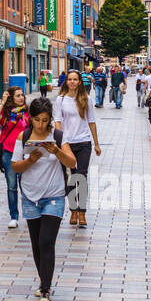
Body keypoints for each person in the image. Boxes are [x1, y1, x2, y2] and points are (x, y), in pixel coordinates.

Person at [12, 97, 77, 301]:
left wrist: (56, 151)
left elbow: (72, 162)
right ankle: (44, 281)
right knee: (36, 244)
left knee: (46, 241)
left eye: (45, 120)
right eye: (37, 119)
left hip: (54, 196)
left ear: (50, 120)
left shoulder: (57, 136)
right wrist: (29, 160)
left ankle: (46, 289)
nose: (41, 124)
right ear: (31, 118)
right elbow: (15, 167)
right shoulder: (24, 137)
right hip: (30, 196)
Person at [55, 69, 100, 227]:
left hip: (83, 143)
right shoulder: (60, 100)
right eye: (70, 79)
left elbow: (92, 121)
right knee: (70, 178)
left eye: (75, 79)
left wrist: (96, 143)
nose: (72, 82)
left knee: (81, 177)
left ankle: (82, 212)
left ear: (80, 82)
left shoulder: (85, 99)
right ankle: (73, 209)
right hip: (66, 144)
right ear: (66, 82)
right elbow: (57, 122)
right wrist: (60, 142)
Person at [0, 85, 30, 228]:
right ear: (11, 98)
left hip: (25, 153)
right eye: (18, 96)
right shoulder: (7, 115)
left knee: (26, 185)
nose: (21, 98)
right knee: (12, 186)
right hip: (8, 153)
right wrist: (2, 102)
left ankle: (29, 212)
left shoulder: (28, 113)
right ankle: (14, 216)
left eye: (22, 95)